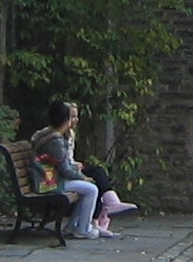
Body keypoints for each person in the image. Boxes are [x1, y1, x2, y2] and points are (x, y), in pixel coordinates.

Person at [28, 99, 134, 239]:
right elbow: (65, 170)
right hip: (49, 182)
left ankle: (73, 226)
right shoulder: (55, 141)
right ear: (65, 120)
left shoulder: (52, 136)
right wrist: (84, 178)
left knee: (89, 185)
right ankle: (83, 229)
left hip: (50, 177)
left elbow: (63, 165)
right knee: (91, 188)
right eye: (71, 117)